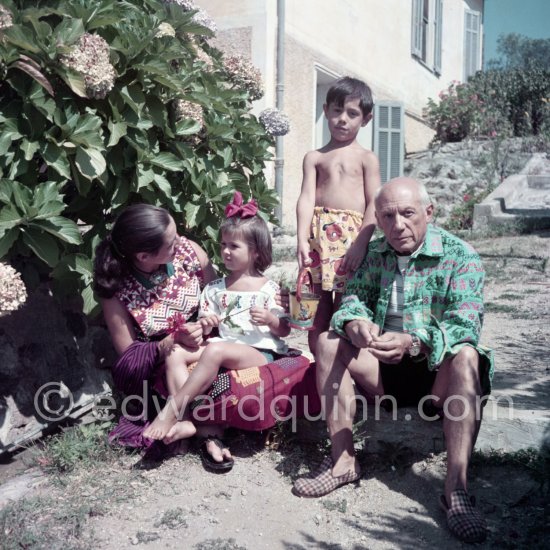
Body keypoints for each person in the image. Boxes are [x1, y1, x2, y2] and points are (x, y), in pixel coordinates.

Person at [292, 177, 494, 544]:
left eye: (408, 213)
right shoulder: (376, 254)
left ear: (429, 213)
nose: (398, 225)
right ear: (378, 221)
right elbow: (353, 299)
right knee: (326, 342)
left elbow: (464, 325)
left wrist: (414, 342)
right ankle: (342, 462)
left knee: (467, 355)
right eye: (387, 216)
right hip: (383, 367)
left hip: (437, 373)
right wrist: (354, 322)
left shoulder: (460, 255)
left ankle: (455, 488)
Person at [93, 201, 320, 470]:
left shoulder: (191, 253)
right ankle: (193, 425)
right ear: (144, 256)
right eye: (171, 241)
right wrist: (180, 337)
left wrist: (271, 314)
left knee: (219, 361)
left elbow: (267, 318)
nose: (180, 241)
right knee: (181, 357)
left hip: (232, 347)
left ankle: (177, 414)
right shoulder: (119, 288)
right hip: (177, 353)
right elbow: (131, 356)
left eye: (176, 233)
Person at [143, 192, 291, 443]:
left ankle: (172, 411)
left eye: (234, 246)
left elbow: (284, 331)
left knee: (216, 352)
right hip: (222, 346)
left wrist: (270, 320)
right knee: (176, 352)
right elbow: (204, 327)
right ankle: (186, 421)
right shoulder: (215, 288)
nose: (226, 252)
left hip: (259, 351)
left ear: (256, 252)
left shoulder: (269, 289)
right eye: (223, 245)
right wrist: (204, 324)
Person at [296, 76, 381, 354]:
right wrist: (301, 240)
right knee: (315, 311)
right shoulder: (314, 157)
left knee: (347, 308)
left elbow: (374, 204)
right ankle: (318, 369)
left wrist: (362, 243)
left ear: (365, 119)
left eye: (352, 113)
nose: (342, 119)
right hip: (318, 241)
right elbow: (306, 198)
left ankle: (346, 368)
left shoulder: (367, 158)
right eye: (336, 110)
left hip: (350, 243)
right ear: (326, 110)